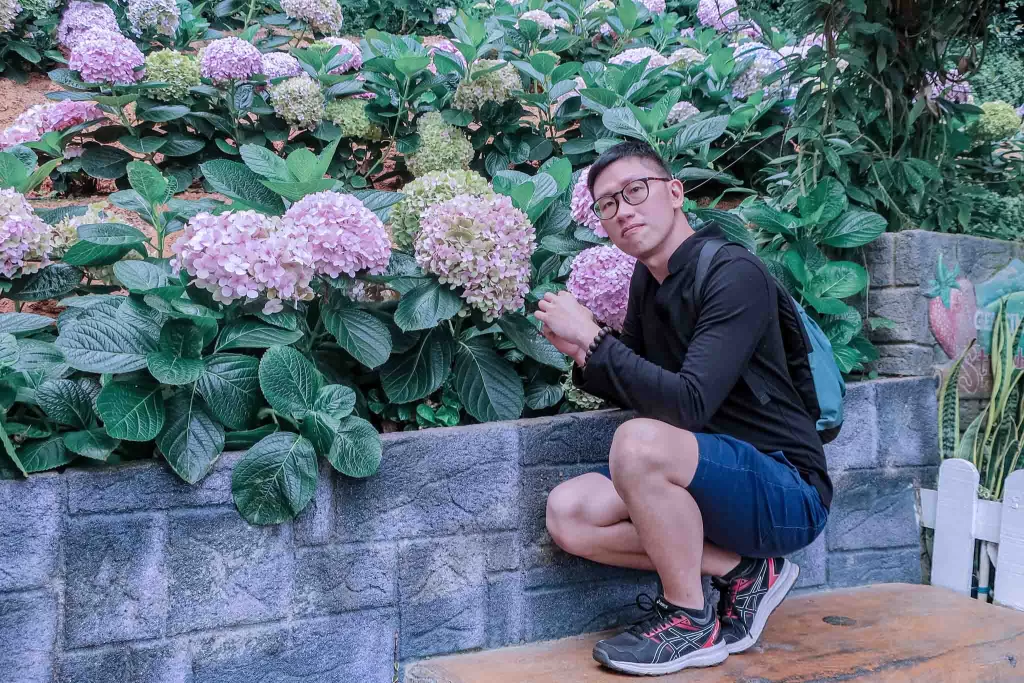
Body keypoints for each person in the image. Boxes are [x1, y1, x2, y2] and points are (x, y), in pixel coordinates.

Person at [532, 140, 832, 676]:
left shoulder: (733, 275)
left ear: (675, 193)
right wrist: (583, 351)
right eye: (607, 204)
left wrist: (599, 344)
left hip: (785, 487)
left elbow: (687, 404)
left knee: (638, 442)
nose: (622, 210)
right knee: (570, 514)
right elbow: (646, 385)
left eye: (634, 191)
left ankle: (691, 620)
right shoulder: (650, 278)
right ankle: (744, 573)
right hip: (709, 473)